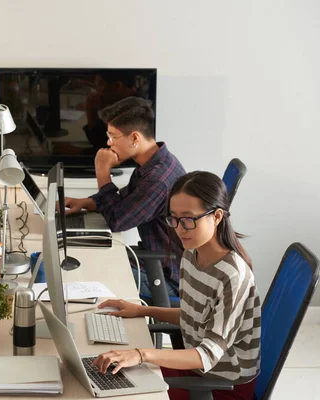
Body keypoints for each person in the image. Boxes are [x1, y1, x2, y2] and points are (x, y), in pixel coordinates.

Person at [92, 171, 261, 400]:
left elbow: (206, 355)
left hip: (220, 386)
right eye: (174, 218)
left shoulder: (233, 276)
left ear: (217, 216)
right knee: (102, 373)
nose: (180, 229)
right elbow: (194, 317)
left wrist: (141, 354)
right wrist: (142, 310)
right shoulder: (192, 253)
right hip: (195, 370)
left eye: (189, 219)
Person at [65, 96, 185, 297]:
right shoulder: (154, 161)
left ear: (135, 138)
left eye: (113, 136)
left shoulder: (157, 180)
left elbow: (117, 220)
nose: (108, 143)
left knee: (82, 272)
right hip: (154, 260)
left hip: (166, 277)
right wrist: (85, 202)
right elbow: (124, 200)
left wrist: (102, 170)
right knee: (84, 255)